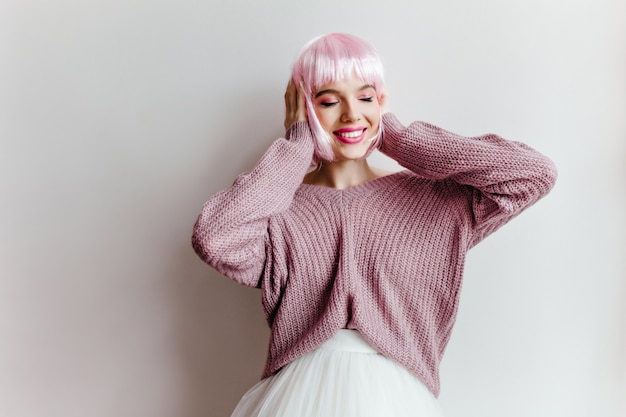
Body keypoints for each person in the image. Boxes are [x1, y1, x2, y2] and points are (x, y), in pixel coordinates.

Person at [192, 33, 557, 417]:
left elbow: (534, 174)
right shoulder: (277, 211)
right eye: (329, 101)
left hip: (400, 399)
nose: (351, 114)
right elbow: (215, 238)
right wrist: (297, 145)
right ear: (303, 109)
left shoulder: (434, 202)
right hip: (297, 399)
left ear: (382, 101)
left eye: (366, 97)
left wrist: (398, 139)